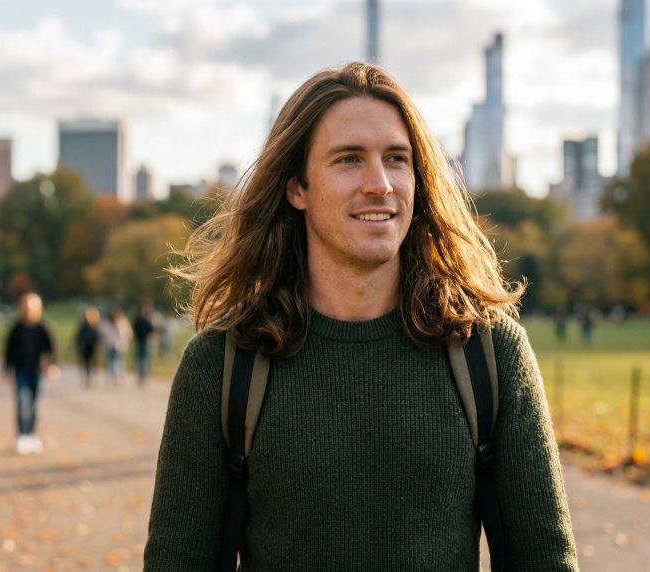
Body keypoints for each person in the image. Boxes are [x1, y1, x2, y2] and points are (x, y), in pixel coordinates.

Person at [144, 63, 577, 570]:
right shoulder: (221, 366)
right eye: (349, 159)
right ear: (296, 188)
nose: (380, 184)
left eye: (397, 159)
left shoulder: (490, 354)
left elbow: (546, 559)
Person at [4, 292, 58, 455]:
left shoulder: (42, 326)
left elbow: (51, 348)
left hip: (36, 371)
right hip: (20, 370)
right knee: (22, 403)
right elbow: (9, 350)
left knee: (34, 404)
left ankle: (32, 434)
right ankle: (22, 436)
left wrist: (52, 365)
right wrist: (6, 368)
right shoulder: (17, 327)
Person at [99, 307, 130, 385]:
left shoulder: (123, 322)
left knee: (119, 361)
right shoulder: (106, 323)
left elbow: (127, 333)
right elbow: (103, 333)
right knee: (110, 361)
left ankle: (118, 376)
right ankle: (112, 377)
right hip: (109, 345)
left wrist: (119, 329)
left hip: (119, 346)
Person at [75, 306, 101, 388]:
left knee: (92, 363)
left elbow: (97, 337)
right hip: (85, 347)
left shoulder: (94, 326)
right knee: (87, 363)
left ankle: (92, 377)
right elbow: (79, 337)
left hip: (92, 347)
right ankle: (88, 377)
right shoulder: (83, 327)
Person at [131, 302, 155, 385]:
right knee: (143, 359)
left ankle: (142, 375)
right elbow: (151, 330)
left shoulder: (139, 320)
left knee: (141, 359)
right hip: (143, 341)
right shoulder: (145, 320)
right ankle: (142, 375)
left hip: (142, 341)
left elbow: (135, 330)